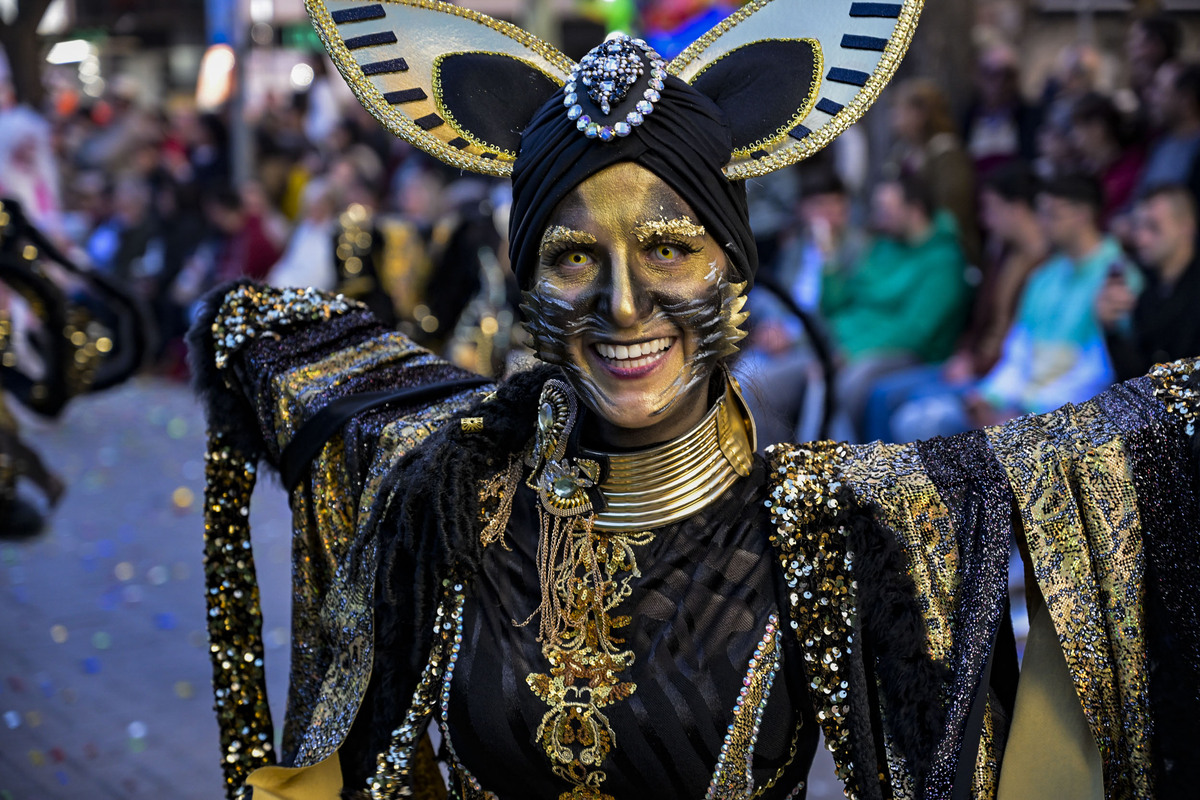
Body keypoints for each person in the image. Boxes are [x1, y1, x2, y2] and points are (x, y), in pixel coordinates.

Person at [190, 7, 1200, 800]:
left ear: (734, 271)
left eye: (669, 247)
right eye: (575, 255)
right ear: (529, 283)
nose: (624, 304)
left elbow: (1090, 465)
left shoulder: (822, 529)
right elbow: (269, 342)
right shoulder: (458, 488)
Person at [862, 162, 1048, 443]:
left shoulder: (1044, 266)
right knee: (881, 394)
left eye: (991, 208)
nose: (985, 220)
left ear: (1017, 208)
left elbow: (1021, 345)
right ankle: (875, 480)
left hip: (998, 374)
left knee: (910, 401)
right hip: (975, 362)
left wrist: (975, 364)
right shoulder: (1003, 255)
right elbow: (979, 322)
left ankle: (900, 480)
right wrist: (966, 355)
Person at [969, 174, 1140, 428]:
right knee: (932, 417)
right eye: (1040, 211)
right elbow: (1019, 351)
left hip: (1076, 418)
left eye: (1050, 213)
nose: (1041, 222)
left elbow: (1100, 371)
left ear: (1082, 215)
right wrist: (990, 396)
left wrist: (1027, 413)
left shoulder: (1120, 277)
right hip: (1022, 404)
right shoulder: (1043, 276)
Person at [820, 173, 972, 438]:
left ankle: (842, 471)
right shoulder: (884, 246)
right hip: (844, 342)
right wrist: (829, 260)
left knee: (847, 382)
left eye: (887, 210)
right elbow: (839, 305)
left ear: (914, 210)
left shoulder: (944, 261)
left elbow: (916, 332)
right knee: (768, 380)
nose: (878, 217)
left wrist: (852, 351)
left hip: (910, 355)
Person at [1098, 184, 1200, 380]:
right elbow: (1137, 375)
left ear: (1186, 227)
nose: (1141, 239)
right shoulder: (1147, 290)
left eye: (1153, 227)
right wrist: (1110, 328)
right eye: (1137, 227)